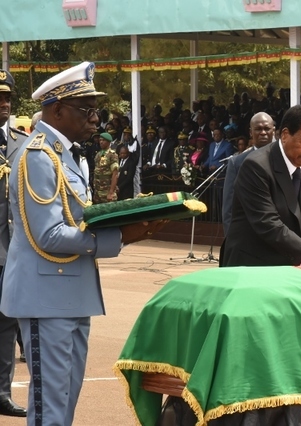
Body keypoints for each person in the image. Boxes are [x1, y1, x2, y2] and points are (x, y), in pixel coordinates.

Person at [0, 62, 165, 426]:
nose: (95, 119)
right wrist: (120, 236)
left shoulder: (68, 154)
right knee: (50, 407)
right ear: (57, 110)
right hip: (47, 295)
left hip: (71, 292)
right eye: (86, 110)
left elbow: (81, 218)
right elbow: (48, 235)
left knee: (67, 399)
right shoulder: (38, 156)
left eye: (95, 111)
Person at [222, 104, 301, 267]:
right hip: (253, 266)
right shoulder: (256, 166)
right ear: (285, 135)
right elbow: (268, 223)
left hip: (294, 267)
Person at [0, 69, 28, 418]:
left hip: (12, 250)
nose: (3, 104)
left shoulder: (22, 141)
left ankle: (2, 392)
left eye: (7, 98)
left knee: (7, 324)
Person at [222, 112, 275, 235]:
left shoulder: (285, 159)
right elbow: (229, 207)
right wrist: (230, 240)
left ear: (273, 130)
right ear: (251, 132)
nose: (263, 132)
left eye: (266, 128)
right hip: (247, 236)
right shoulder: (237, 163)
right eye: (258, 129)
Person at [93, 132, 119, 204]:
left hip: (107, 190)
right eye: (100, 140)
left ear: (108, 142)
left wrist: (111, 192)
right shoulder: (98, 154)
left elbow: (115, 174)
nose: (101, 142)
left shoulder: (112, 155)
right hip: (98, 191)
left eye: (103, 140)